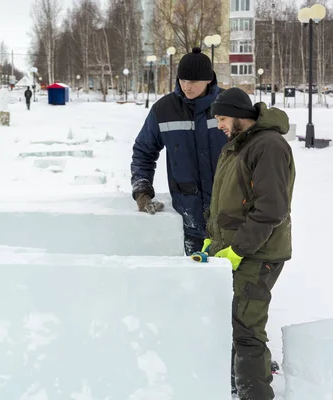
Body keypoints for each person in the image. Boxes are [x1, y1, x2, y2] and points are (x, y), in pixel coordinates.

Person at [206, 87, 296, 399]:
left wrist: (238, 249)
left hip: (259, 253)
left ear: (240, 116)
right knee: (236, 324)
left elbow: (271, 208)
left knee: (246, 330)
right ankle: (237, 386)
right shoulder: (237, 146)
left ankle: (255, 394)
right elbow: (226, 203)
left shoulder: (268, 146)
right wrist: (213, 242)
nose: (218, 125)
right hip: (238, 251)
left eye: (221, 118)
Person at [131, 47, 227, 255]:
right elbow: (143, 151)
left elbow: (253, 151)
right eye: (182, 80)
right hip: (188, 219)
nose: (186, 87)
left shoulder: (229, 106)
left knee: (228, 284)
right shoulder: (164, 110)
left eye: (193, 82)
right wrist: (142, 190)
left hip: (230, 218)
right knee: (191, 284)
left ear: (208, 79)